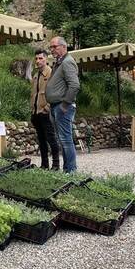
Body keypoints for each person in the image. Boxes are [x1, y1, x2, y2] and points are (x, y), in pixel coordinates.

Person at [45, 36, 80, 173]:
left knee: (66, 140)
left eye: (55, 47)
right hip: (56, 106)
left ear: (64, 47)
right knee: (63, 140)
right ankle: (67, 170)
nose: (52, 49)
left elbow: (75, 85)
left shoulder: (67, 62)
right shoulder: (59, 62)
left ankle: (71, 172)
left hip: (62, 107)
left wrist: (65, 105)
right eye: (51, 47)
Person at [30, 49, 60, 170]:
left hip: (46, 113)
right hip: (36, 113)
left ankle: (56, 164)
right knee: (41, 141)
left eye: (41, 58)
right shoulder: (36, 76)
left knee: (51, 139)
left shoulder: (51, 73)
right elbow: (33, 94)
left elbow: (55, 93)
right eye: (36, 58)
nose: (38, 61)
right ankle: (44, 164)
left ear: (46, 59)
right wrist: (32, 110)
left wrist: (47, 108)